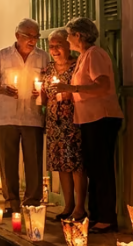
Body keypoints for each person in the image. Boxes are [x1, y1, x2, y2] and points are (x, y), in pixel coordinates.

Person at [52, 17, 124, 234]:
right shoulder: (84, 56)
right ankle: (96, 214)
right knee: (93, 167)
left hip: (101, 117)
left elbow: (102, 84)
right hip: (87, 118)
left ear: (79, 35)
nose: (67, 39)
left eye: (69, 35)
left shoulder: (95, 54)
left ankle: (107, 217)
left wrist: (72, 89)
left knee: (101, 168)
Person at [0, 19, 49, 216]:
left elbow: (48, 85)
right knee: (8, 162)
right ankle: (11, 202)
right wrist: (4, 89)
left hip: (32, 117)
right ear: (17, 36)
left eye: (36, 36)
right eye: (28, 36)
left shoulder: (43, 58)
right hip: (7, 117)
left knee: (34, 162)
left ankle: (32, 203)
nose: (33, 40)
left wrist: (42, 93)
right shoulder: (2, 56)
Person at [39, 29, 84, 221]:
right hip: (54, 123)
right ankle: (68, 206)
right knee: (61, 165)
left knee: (75, 164)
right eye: (51, 46)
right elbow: (44, 95)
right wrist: (38, 94)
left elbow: (83, 90)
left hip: (73, 121)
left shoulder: (77, 66)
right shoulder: (48, 69)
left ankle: (80, 208)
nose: (55, 50)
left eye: (59, 46)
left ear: (68, 46)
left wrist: (69, 93)